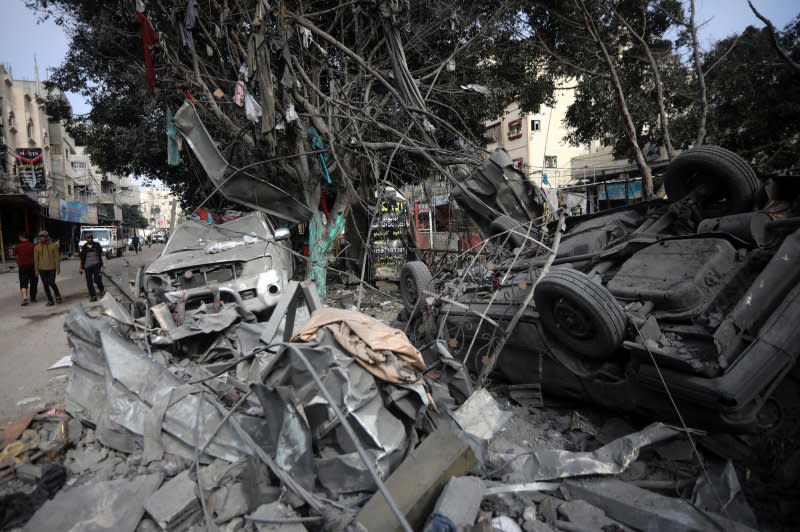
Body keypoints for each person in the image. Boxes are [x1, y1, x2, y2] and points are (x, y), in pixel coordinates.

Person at [34, 230, 62, 306]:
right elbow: (36, 259)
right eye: (41, 237)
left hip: (51, 268)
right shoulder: (37, 247)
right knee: (45, 285)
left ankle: (57, 294)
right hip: (41, 269)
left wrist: (58, 268)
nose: (43, 238)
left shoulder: (54, 246)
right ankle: (50, 300)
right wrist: (36, 270)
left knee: (51, 282)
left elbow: (57, 257)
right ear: (39, 238)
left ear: (47, 237)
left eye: (44, 237)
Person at [79, 233, 105, 302]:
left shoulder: (97, 245)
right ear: (86, 239)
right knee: (89, 282)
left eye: (90, 238)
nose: (90, 239)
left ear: (92, 238)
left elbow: (101, 254)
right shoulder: (84, 247)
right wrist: (81, 267)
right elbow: (82, 258)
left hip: (96, 265)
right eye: (88, 238)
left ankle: (102, 290)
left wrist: (103, 264)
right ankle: (93, 295)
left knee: (97, 279)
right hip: (87, 267)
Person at [14, 232, 38, 305]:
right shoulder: (34, 246)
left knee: (23, 282)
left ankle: (25, 298)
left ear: (22, 237)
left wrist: (18, 262)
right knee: (33, 282)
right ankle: (33, 298)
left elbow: (16, 256)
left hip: (23, 267)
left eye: (20, 237)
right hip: (33, 266)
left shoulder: (17, 246)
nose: (19, 238)